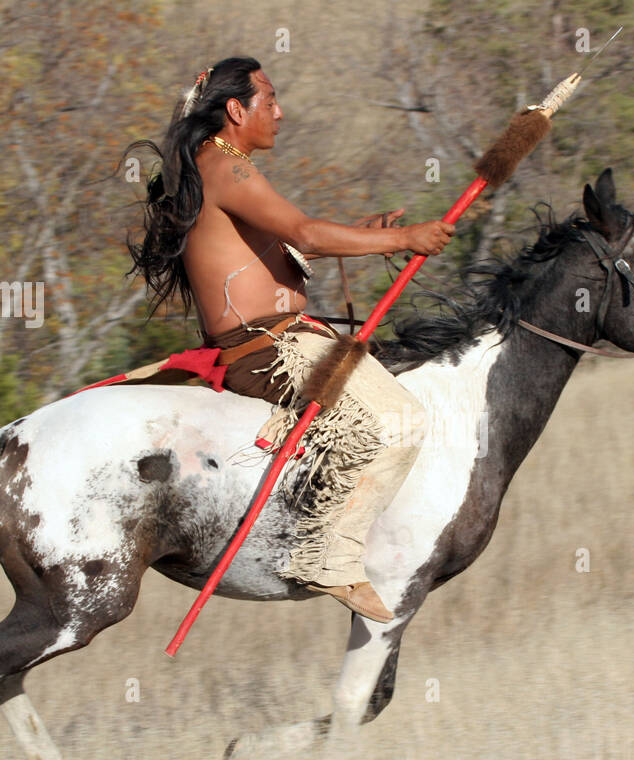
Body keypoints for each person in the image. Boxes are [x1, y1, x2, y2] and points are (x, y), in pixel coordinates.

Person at [124, 56, 454, 623]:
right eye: (269, 100)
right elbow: (303, 231)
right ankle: (326, 555)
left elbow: (290, 245)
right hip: (269, 351)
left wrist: (368, 235)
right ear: (235, 110)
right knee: (400, 420)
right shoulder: (227, 167)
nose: (281, 112)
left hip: (280, 340)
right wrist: (404, 236)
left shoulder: (222, 165)